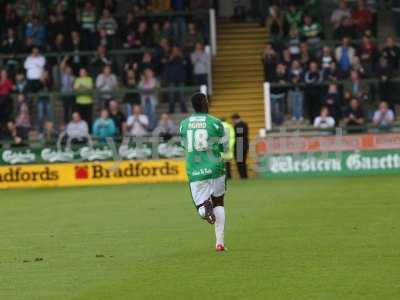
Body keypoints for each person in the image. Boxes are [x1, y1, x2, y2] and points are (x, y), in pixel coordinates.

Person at [179, 93, 227, 252]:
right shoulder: (215, 122)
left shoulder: (183, 124)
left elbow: (184, 146)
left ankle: (204, 209)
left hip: (196, 170)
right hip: (216, 168)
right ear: (204, 103)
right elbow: (223, 146)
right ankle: (219, 243)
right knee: (219, 202)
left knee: (200, 205)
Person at [231, 113, 249, 179]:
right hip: (244, 146)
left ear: (235, 119)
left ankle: (243, 176)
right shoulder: (244, 124)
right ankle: (244, 176)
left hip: (239, 146)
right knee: (243, 162)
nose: (232, 122)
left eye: (233, 120)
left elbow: (239, 136)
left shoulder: (239, 125)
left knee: (240, 163)